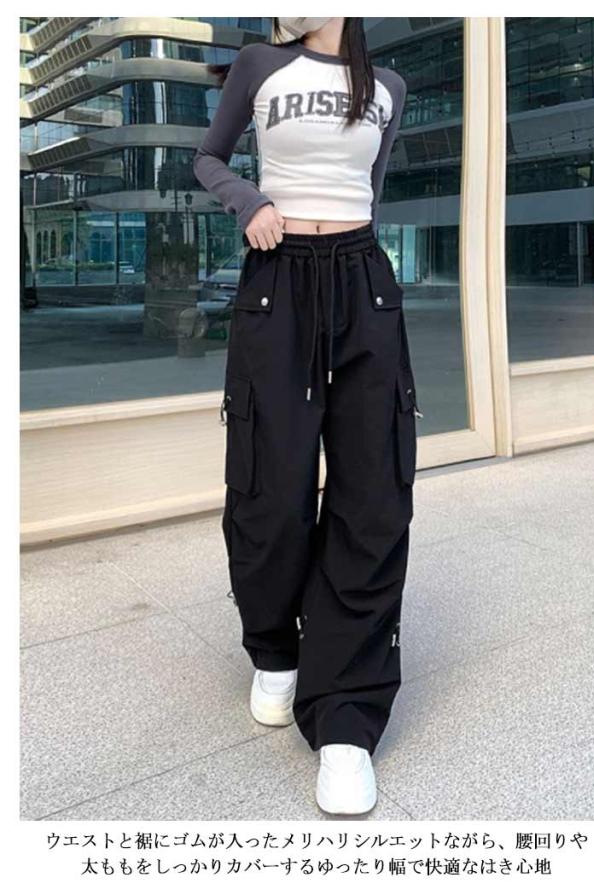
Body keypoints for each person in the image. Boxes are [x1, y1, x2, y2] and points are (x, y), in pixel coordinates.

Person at [193, 17, 421, 815]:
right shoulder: (260, 65)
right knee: (270, 481)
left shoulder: (387, 88)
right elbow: (207, 157)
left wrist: (350, 270)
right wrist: (249, 201)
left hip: (361, 281)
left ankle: (347, 718)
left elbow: (370, 192)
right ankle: (275, 648)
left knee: (373, 490)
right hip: (277, 278)